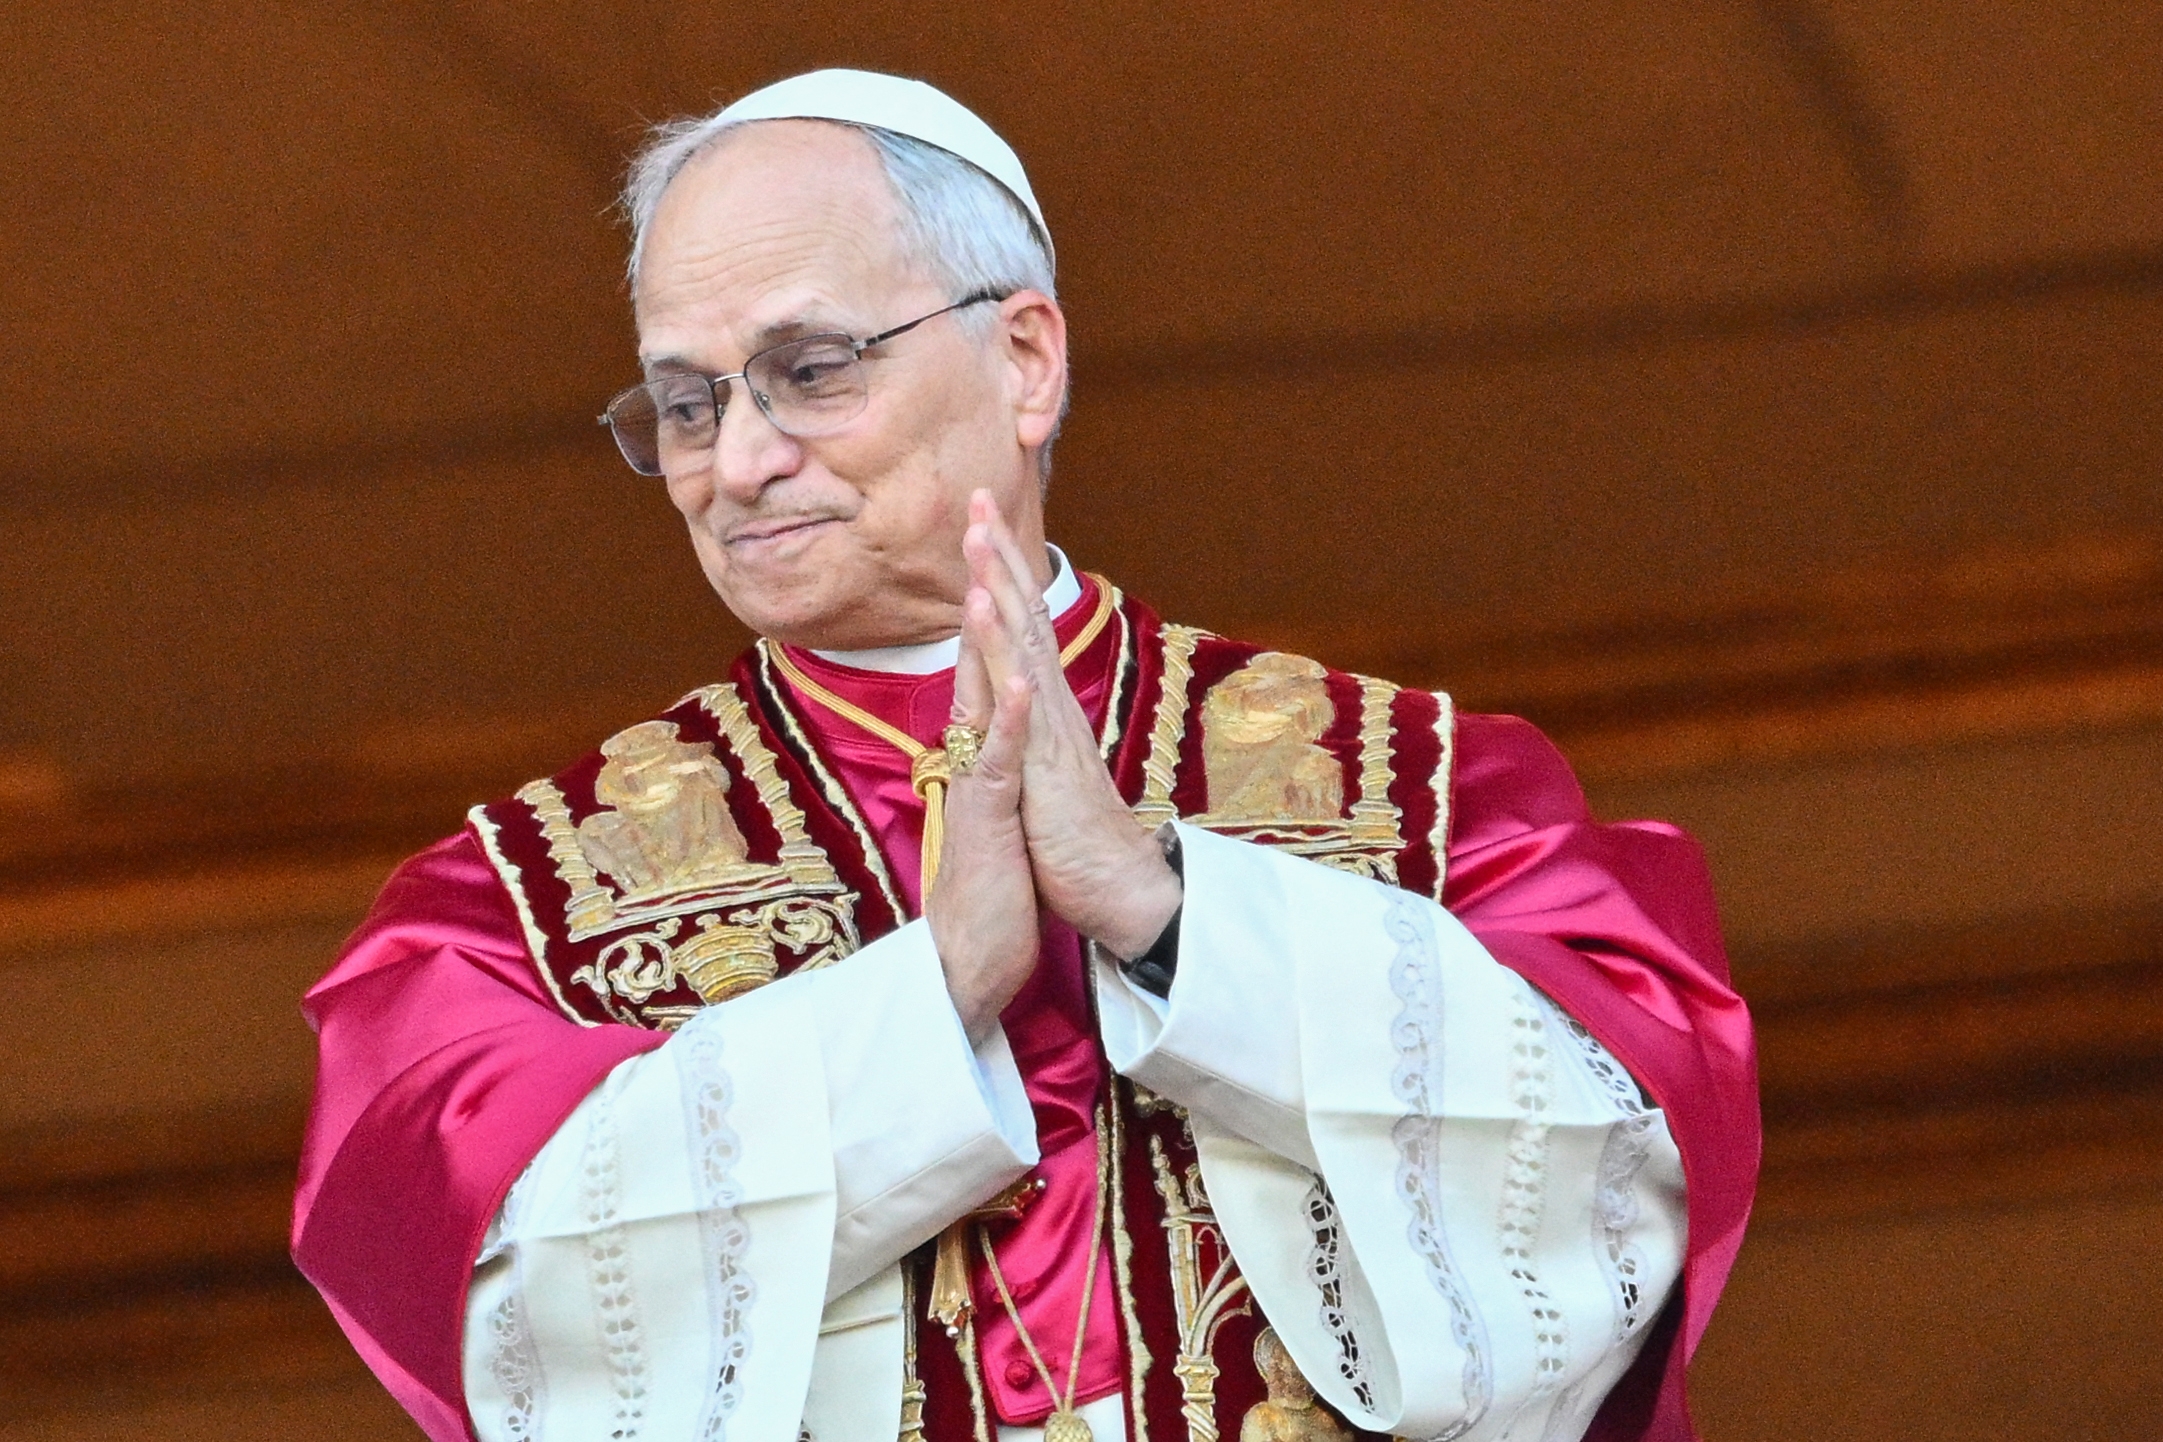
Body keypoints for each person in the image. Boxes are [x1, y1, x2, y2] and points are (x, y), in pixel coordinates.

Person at [292, 69, 1757, 1442]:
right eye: (688, 403)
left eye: (808, 369)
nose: (736, 463)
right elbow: (495, 1317)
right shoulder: (516, 911)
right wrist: (929, 1003)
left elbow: (1627, 1183)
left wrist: (1173, 914)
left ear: (1025, 358)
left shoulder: (1425, 791)